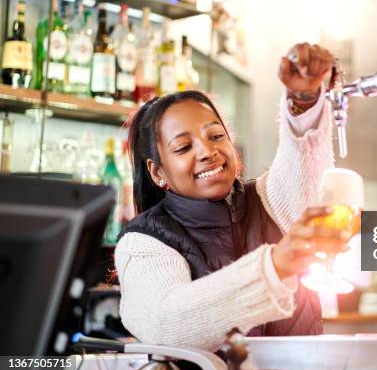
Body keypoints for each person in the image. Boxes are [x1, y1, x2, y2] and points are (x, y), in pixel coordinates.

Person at [114, 43, 350, 351]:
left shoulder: (268, 200)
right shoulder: (144, 241)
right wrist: (273, 268)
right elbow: (165, 325)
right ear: (158, 172)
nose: (208, 152)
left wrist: (304, 100)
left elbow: (304, 163)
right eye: (184, 147)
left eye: (216, 136)